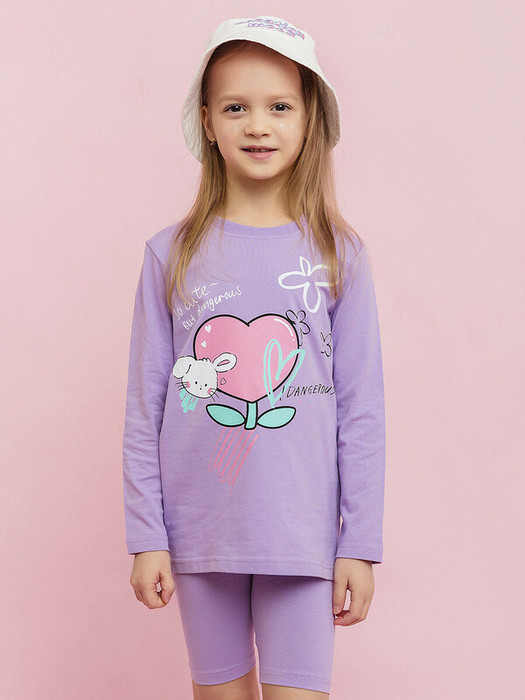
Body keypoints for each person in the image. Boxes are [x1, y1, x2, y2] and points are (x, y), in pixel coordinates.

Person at [122, 15, 386, 700]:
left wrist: (358, 543)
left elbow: (361, 409)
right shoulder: (170, 255)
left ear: (309, 120)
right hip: (199, 536)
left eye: (280, 107)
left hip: (302, 539)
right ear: (208, 122)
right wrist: (147, 536)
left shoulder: (338, 256)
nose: (258, 125)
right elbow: (146, 406)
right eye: (236, 107)